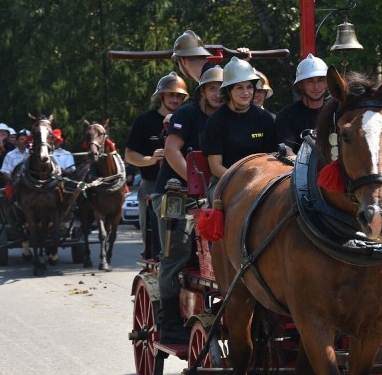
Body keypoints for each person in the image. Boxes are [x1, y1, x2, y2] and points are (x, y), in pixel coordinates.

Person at [151, 64, 224, 343]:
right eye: (212, 88)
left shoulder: (227, 117)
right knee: (176, 251)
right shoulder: (187, 113)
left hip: (214, 192)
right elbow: (171, 151)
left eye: (221, 89)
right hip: (175, 192)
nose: (217, 94)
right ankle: (169, 321)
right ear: (202, 91)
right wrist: (197, 184)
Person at [125, 71, 189, 254]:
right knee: (155, 242)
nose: (175, 99)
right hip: (152, 186)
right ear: (161, 96)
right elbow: (129, 155)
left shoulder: (189, 118)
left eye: (179, 96)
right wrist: (151, 160)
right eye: (171, 94)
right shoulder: (144, 121)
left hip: (186, 186)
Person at [203, 57, 279, 196]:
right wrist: (242, 181)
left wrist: (259, 181)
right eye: (239, 87)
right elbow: (215, 167)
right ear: (228, 91)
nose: (246, 92)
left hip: (263, 180)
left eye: (249, 87)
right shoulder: (216, 121)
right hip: (225, 181)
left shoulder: (265, 118)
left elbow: (272, 157)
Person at [275, 53, 328, 154]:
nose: (316, 87)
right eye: (310, 81)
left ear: (327, 83)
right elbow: (287, 151)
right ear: (301, 85)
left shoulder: (336, 111)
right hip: (299, 168)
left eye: (321, 80)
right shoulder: (286, 116)